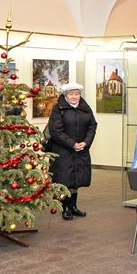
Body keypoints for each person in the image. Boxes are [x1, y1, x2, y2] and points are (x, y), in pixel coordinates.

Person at [47, 82, 97, 220]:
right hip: (63, 150)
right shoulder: (58, 109)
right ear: (65, 95)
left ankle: (74, 207)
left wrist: (85, 142)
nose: (74, 97)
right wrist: (72, 144)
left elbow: (92, 126)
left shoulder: (85, 108)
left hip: (81, 149)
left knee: (76, 179)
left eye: (77, 94)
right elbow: (55, 131)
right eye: (71, 94)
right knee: (65, 179)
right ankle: (66, 208)